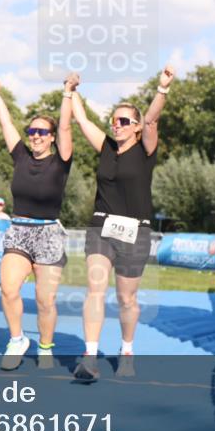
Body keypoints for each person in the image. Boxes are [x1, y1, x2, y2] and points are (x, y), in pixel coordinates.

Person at [69, 66, 176, 381]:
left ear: (137, 126)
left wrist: (162, 88)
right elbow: (83, 120)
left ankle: (126, 349)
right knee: (95, 289)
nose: (116, 126)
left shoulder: (146, 149)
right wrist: (70, 91)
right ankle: (89, 357)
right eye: (114, 121)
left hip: (136, 231)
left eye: (124, 121)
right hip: (101, 227)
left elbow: (153, 118)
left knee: (126, 299)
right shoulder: (105, 148)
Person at [0, 75, 73, 371]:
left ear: (51, 137)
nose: (35, 135)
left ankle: (45, 346)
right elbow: (7, 123)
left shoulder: (61, 160)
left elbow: (65, 125)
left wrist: (66, 94)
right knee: (9, 289)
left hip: (49, 233)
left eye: (41, 131)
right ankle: (17, 339)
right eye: (32, 131)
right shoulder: (20, 156)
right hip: (19, 231)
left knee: (45, 300)